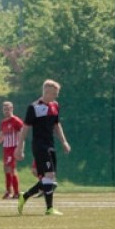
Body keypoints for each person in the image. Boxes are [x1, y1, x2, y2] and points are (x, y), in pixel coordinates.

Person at [16, 80, 71, 216]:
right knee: (49, 175)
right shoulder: (34, 107)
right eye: (54, 94)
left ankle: (25, 196)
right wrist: (19, 147)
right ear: (46, 91)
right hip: (39, 146)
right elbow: (25, 129)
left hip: (50, 145)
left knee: (48, 179)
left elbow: (57, 125)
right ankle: (49, 208)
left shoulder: (55, 106)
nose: (56, 96)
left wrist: (64, 141)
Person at [0, 101, 24, 200]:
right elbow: (1, 136)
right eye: (4, 109)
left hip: (13, 148)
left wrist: (20, 149)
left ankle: (15, 193)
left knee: (11, 169)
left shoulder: (16, 121)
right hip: (6, 148)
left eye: (8, 109)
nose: (6, 111)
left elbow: (22, 134)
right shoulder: (3, 122)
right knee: (7, 169)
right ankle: (9, 192)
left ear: (12, 109)